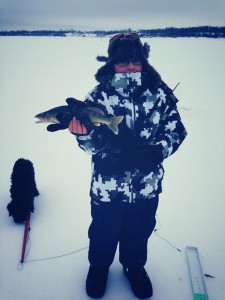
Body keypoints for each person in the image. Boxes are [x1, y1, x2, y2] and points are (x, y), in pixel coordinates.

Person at [68, 33, 187, 299]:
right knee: (103, 232)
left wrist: (156, 152)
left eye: (135, 60)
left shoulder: (159, 95)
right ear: (112, 64)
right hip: (107, 188)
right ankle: (98, 268)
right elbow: (91, 145)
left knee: (139, 231)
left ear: (144, 61)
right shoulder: (98, 96)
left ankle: (135, 268)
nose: (130, 67)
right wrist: (84, 135)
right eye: (123, 62)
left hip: (146, 187)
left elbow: (176, 131)